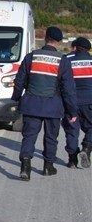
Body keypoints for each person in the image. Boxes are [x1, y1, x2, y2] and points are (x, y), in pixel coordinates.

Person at [12, 26, 78, 180]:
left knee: (29, 136)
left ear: (46, 38)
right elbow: (68, 90)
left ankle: (25, 167)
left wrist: (15, 99)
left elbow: (19, 81)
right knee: (51, 137)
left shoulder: (31, 57)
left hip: (31, 105)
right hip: (53, 107)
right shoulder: (63, 60)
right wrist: (72, 111)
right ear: (60, 41)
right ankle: (48, 166)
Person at [66, 37, 92, 168]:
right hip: (89, 102)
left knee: (72, 130)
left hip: (71, 103)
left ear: (75, 47)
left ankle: (72, 160)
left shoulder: (67, 60)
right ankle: (86, 148)